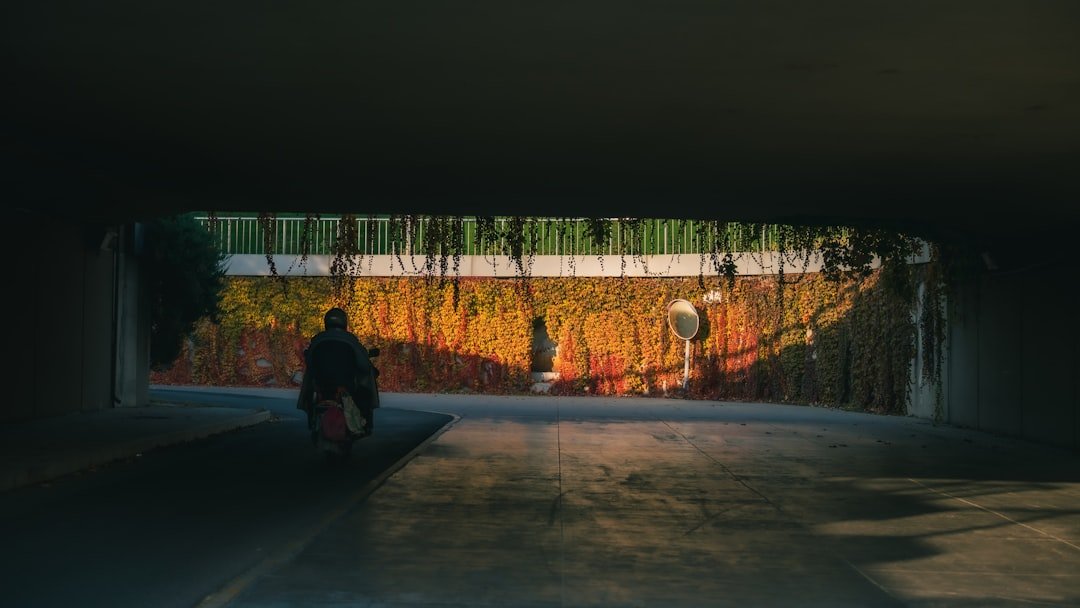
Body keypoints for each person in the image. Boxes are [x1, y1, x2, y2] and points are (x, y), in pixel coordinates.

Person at [296, 307, 380, 435]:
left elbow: (310, 361)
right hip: (346, 385)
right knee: (365, 392)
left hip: (321, 385)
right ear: (344, 322)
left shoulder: (318, 339)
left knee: (309, 385)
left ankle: (310, 416)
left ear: (326, 322)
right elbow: (363, 364)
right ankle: (365, 423)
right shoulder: (350, 340)